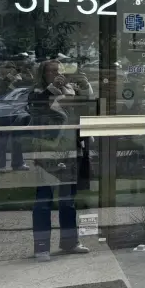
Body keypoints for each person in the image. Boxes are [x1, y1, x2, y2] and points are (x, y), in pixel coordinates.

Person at [28, 58, 94, 262]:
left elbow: (88, 107)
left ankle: (69, 242)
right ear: (43, 74)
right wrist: (52, 89)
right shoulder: (38, 93)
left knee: (68, 200)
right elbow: (37, 108)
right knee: (43, 200)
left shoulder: (71, 91)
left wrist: (85, 85)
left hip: (70, 149)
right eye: (52, 71)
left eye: (60, 71)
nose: (58, 74)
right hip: (47, 151)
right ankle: (41, 247)